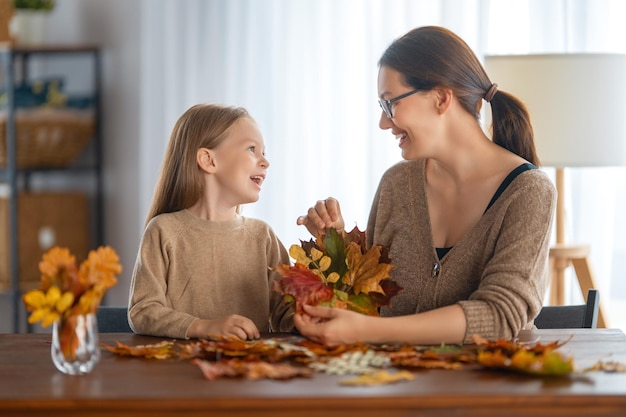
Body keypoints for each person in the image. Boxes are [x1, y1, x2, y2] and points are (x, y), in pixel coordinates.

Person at [294, 26, 556, 347]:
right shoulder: (396, 184)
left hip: (486, 392)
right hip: (391, 387)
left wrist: (368, 331)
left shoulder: (528, 191)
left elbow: (501, 315)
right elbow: (366, 298)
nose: (383, 123)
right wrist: (335, 244)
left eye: (390, 104)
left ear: (441, 98)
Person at [128, 103, 294, 340]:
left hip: (249, 371)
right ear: (208, 160)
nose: (265, 162)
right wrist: (203, 327)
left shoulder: (263, 237)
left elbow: (287, 315)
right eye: (251, 149)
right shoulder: (163, 231)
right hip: (178, 371)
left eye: (264, 153)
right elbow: (143, 311)